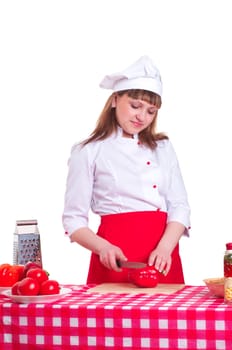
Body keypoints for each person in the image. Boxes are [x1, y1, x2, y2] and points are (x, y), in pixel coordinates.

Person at [62, 55, 191, 284]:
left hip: (162, 257)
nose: (142, 117)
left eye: (151, 111)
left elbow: (179, 206)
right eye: (135, 106)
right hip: (115, 258)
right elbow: (74, 220)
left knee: (168, 319)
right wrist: (103, 248)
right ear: (114, 100)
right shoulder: (88, 151)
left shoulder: (163, 148)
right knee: (112, 320)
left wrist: (164, 249)